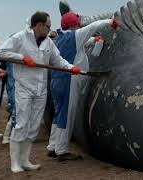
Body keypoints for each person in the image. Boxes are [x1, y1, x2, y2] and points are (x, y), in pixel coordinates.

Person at [0, 11, 81, 173]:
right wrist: (21, 58)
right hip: (24, 88)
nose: (50, 29)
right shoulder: (20, 37)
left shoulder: (48, 42)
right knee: (21, 124)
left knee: (34, 126)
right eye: (48, 26)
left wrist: (71, 68)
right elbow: (1, 52)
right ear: (39, 25)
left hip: (41, 89)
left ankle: (25, 160)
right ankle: (15, 163)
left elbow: (58, 60)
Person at [46, 12, 119, 161]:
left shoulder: (61, 38)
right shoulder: (74, 36)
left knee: (59, 114)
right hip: (68, 80)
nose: (79, 25)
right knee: (67, 114)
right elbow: (93, 26)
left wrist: (97, 41)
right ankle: (61, 150)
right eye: (78, 24)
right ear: (73, 24)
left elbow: (86, 41)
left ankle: (52, 146)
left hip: (57, 80)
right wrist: (111, 22)